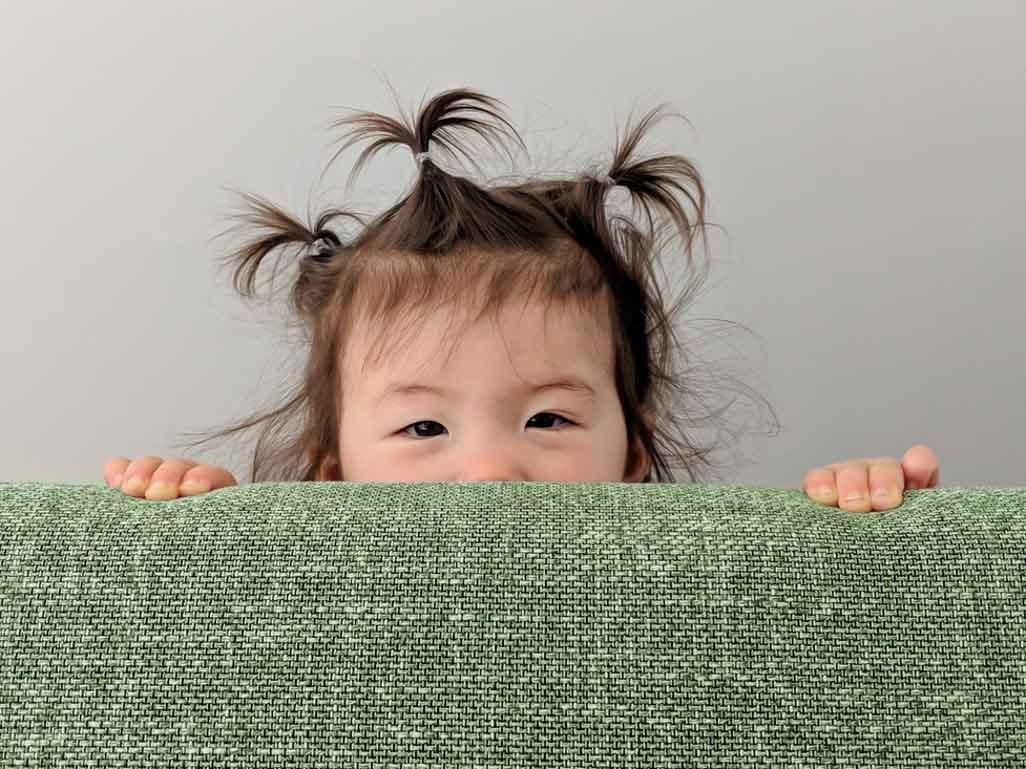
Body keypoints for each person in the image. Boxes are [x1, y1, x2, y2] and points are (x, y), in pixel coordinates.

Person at [102, 86, 940, 511]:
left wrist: (861, 523)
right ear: (333, 472)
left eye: (548, 418)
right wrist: (207, 533)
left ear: (632, 455)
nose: (493, 474)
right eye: (422, 426)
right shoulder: (306, 579)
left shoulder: (687, 587)